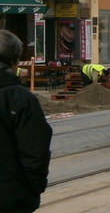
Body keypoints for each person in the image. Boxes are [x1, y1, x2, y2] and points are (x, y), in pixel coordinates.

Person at [0, 30, 52, 212]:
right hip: (11, 198)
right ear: (14, 62)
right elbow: (35, 150)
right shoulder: (20, 99)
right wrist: (33, 189)